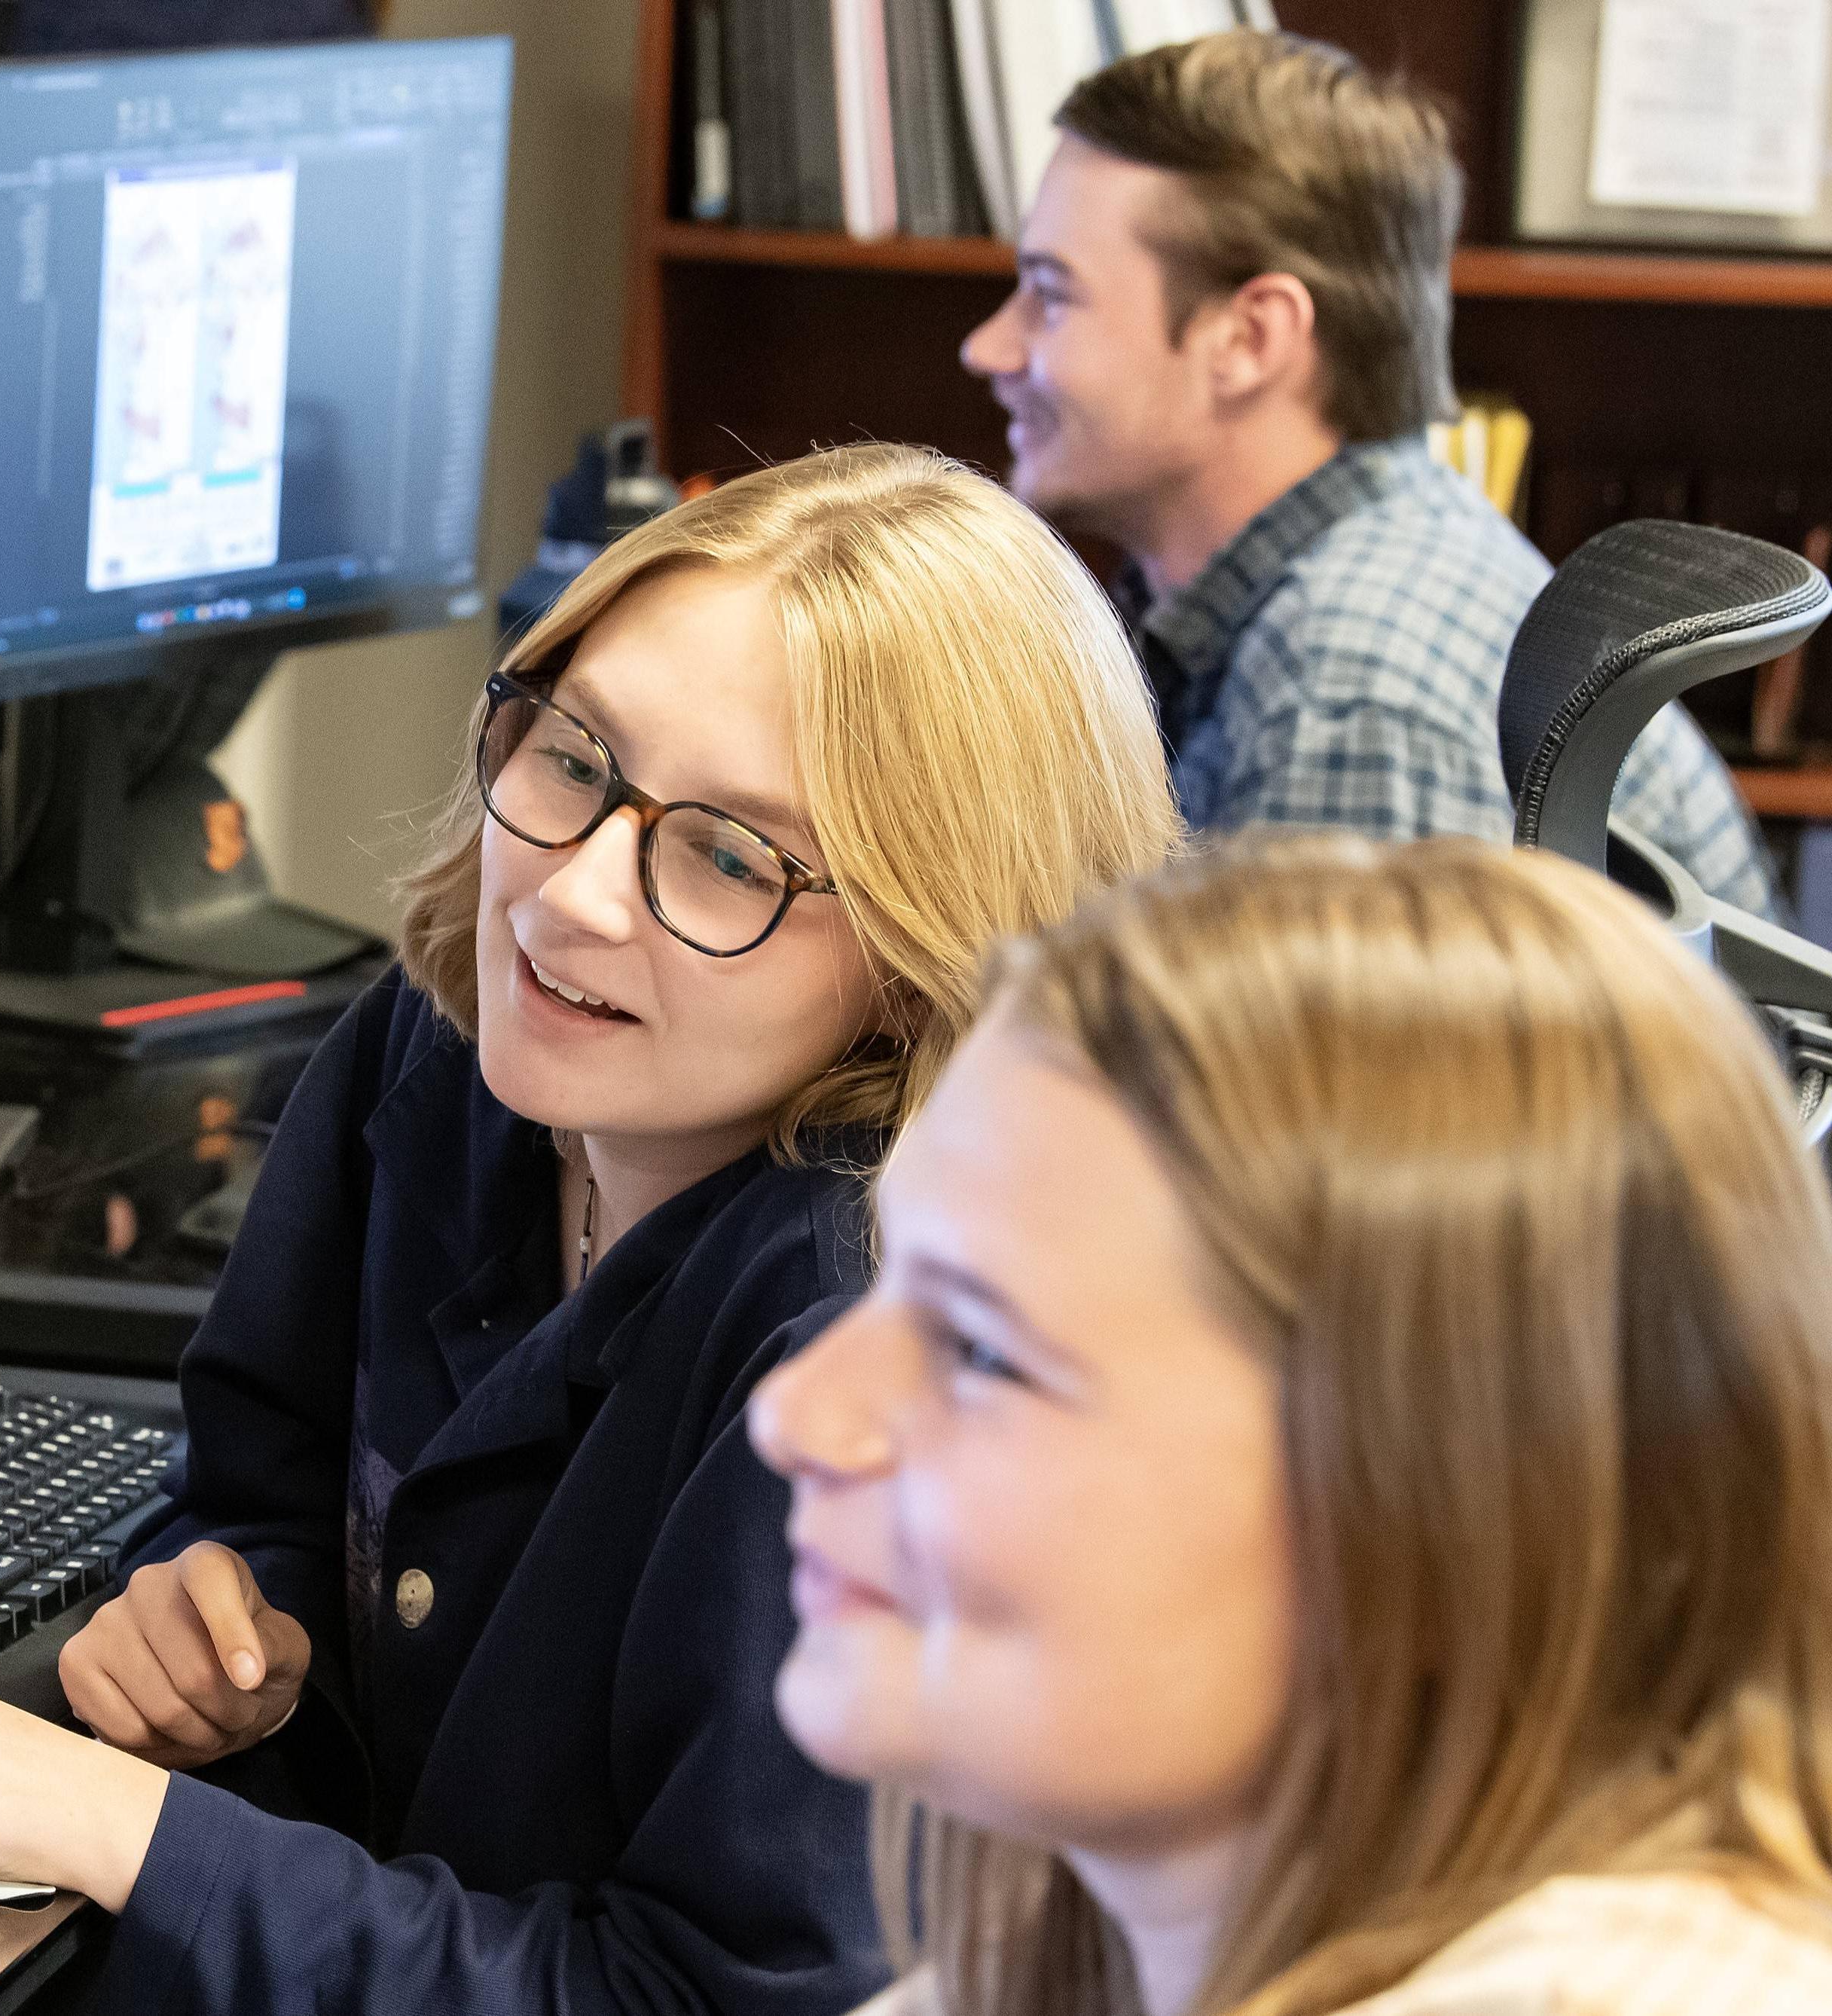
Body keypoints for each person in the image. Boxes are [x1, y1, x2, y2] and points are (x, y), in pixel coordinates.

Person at [0, 441, 1182, 2014]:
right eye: (573, 760)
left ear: (924, 954)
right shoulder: (448, 1059)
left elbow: (687, 2001)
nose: (569, 900)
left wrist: (92, 1816)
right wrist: (220, 1606)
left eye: (726, 858)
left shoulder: (871, 1345)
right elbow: (256, 1489)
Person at [753, 832, 1832, 2016]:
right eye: (889, 1280)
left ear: (1455, 1510)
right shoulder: (1058, 1967)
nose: (795, 1415)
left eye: (980, 1351)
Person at [961, 30, 1777, 915]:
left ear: (1250, 339)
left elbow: (1306, 1063)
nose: (988, 345)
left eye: (1051, 293)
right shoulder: (1279, 598)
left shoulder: (1352, 692)